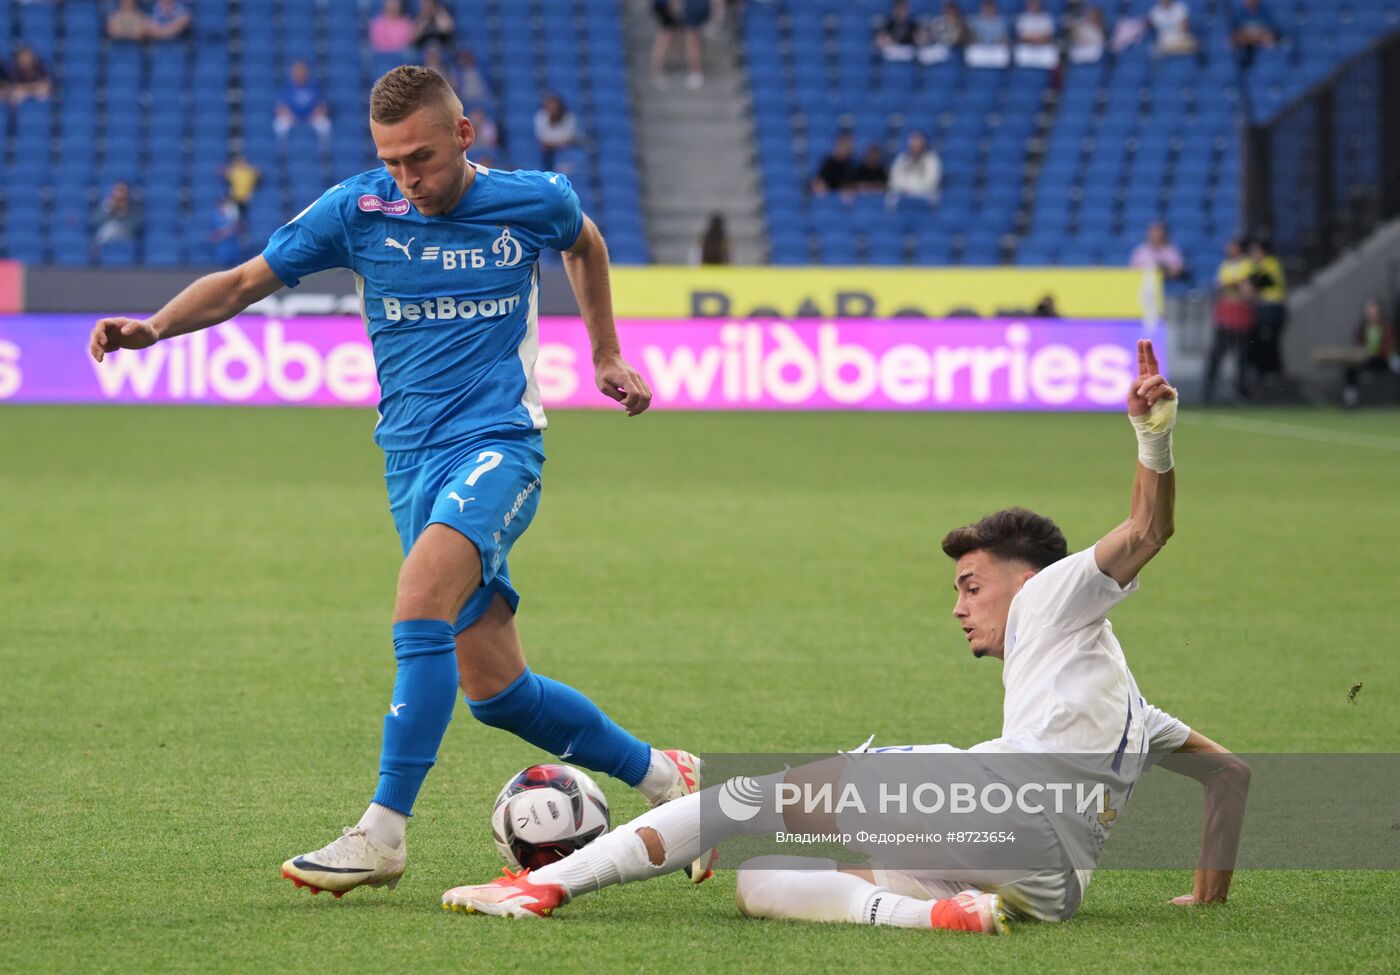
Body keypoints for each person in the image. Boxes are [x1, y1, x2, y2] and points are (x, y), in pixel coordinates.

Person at [89, 64, 705, 899]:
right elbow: (241, 282)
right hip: (410, 461)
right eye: (391, 161)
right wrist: (154, 327)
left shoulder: (533, 199)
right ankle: (668, 776)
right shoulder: (357, 210)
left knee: (419, 599)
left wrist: (605, 353)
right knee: (498, 692)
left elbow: (584, 241)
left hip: (499, 446)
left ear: (463, 134)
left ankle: (382, 832)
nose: (408, 178)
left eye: (421, 157)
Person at [444, 342, 1251, 933]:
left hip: (999, 809)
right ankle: (940, 916)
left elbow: (1148, 529)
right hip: (1047, 889)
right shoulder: (1136, 710)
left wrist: (1152, 436)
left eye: (971, 585)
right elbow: (1230, 776)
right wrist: (1208, 894)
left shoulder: (1050, 594)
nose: (959, 607)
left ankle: (544, 886)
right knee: (765, 882)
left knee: (742, 801)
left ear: (1030, 577)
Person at [1202, 238, 1255, 405]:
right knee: (1216, 355)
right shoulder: (1225, 265)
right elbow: (1222, 288)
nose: (1228, 249)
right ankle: (1208, 392)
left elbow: (1246, 290)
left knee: (1241, 358)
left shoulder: (1248, 265)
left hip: (1240, 317)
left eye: (1232, 246)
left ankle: (1241, 392)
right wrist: (1234, 287)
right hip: (1225, 316)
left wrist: (1232, 287)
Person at [1341, 297, 1399, 408]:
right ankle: (1351, 400)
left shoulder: (1385, 326)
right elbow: (1358, 344)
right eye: (1368, 310)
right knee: (1350, 369)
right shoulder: (1362, 327)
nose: (1371, 313)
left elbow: (1388, 346)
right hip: (1367, 359)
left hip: (1383, 359)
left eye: (1373, 310)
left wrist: (1376, 352)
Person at [1246, 238, 1287, 380]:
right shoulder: (1260, 265)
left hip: (1272, 310)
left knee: (1268, 342)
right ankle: (1266, 374)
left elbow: (1257, 283)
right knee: (1261, 342)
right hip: (1265, 310)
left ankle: (1272, 374)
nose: (1252, 253)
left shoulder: (1270, 264)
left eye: (1255, 250)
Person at [651, 0, 712, 90]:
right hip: (665, 4)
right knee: (667, 35)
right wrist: (674, 4)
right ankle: (657, 71)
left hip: (666, 4)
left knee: (673, 34)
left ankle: (660, 69)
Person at [274, 59, 331, 153]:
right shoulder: (287, 89)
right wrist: (291, 117)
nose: (300, 74)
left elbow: (322, 107)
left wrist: (313, 117)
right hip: (292, 118)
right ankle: (282, 152)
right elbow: (280, 108)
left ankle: (324, 152)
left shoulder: (314, 88)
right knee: (279, 125)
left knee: (325, 125)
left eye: (302, 71)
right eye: (297, 71)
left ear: (307, 73)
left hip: (312, 118)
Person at [888, 132, 942, 206]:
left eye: (918, 147)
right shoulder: (901, 158)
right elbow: (894, 179)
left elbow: (932, 182)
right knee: (891, 197)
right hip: (903, 194)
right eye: (913, 146)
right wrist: (905, 189)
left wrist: (912, 190)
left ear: (924, 146)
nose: (915, 149)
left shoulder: (932, 160)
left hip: (925, 195)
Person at [92, 182, 142, 259]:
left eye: (122, 190)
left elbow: (136, 226)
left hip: (126, 239)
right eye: (118, 190)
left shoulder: (134, 210)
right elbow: (95, 221)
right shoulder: (107, 207)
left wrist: (124, 212)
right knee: (109, 228)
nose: (119, 195)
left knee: (113, 227)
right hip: (107, 240)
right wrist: (107, 209)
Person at [534, 92, 578, 172]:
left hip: (565, 151)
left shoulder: (569, 117)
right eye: (549, 105)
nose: (551, 107)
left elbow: (568, 138)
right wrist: (554, 143)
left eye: (554, 105)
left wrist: (554, 144)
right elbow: (541, 137)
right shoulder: (541, 116)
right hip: (546, 152)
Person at [1231, 0, 1279, 69]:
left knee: (1270, 44)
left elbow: (1270, 33)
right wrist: (1257, 36)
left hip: (1262, 47)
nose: (1250, 1)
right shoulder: (1239, 12)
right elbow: (1237, 35)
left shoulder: (1265, 12)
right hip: (1246, 46)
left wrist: (1249, 37)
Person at [1013, 0, 1058, 69]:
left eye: (1036, 4)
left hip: (1043, 46)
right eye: (1032, 4)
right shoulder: (1023, 18)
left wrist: (1037, 39)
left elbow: (1049, 36)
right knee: (1019, 53)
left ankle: (1049, 75)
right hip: (1027, 46)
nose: (1034, 6)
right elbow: (1021, 36)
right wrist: (1034, 39)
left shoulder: (1046, 18)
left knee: (1052, 53)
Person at [811, 131, 858, 197]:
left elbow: (858, 185)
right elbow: (818, 183)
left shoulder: (854, 165)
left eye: (849, 144)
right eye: (844, 144)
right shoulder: (828, 164)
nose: (846, 147)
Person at [966, 0, 1011, 67]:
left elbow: (1004, 38)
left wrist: (1001, 41)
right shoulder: (975, 21)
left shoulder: (1001, 22)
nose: (988, 10)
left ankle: (1000, 72)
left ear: (995, 9)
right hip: (980, 47)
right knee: (971, 51)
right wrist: (975, 39)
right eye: (986, 8)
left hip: (995, 48)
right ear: (982, 9)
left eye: (990, 8)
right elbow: (971, 36)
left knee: (1003, 52)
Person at [222, 153, 260, 219]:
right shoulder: (235, 171)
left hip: (247, 199)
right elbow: (225, 174)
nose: (242, 163)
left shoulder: (250, 172)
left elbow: (259, 175)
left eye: (243, 161)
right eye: (239, 161)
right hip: (235, 198)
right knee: (231, 211)